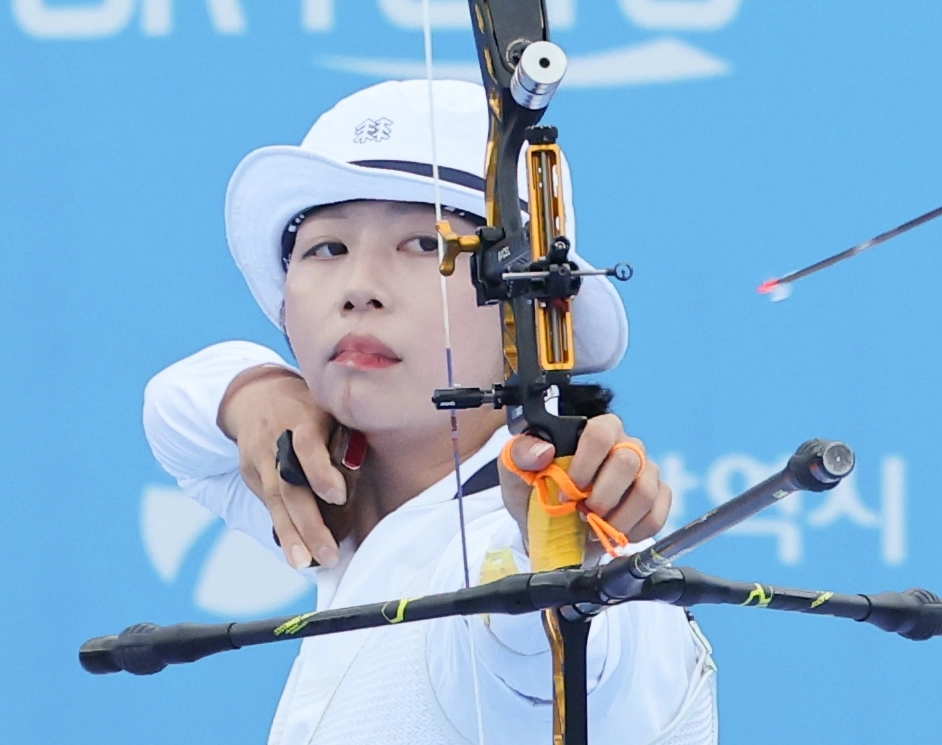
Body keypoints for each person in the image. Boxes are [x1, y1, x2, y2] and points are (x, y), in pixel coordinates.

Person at [144, 79, 717, 745]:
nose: (359, 288)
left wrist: (558, 552)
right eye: (327, 247)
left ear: (533, 307)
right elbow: (173, 410)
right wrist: (255, 392)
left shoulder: (520, 540)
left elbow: (531, 649)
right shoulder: (324, 489)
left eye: (426, 245)